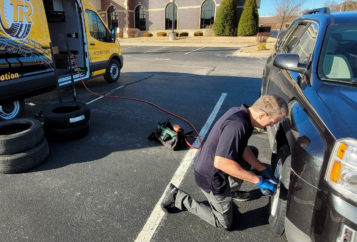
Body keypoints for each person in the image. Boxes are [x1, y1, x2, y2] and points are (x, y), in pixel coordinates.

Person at [161, 95, 288, 230]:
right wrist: (258, 180)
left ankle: (231, 191)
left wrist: (261, 168)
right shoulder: (238, 126)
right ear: (262, 115)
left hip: (210, 162)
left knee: (253, 152)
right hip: (210, 175)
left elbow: (242, 148)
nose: (272, 125)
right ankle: (177, 197)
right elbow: (221, 163)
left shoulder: (241, 114)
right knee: (224, 223)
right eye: (273, 121)